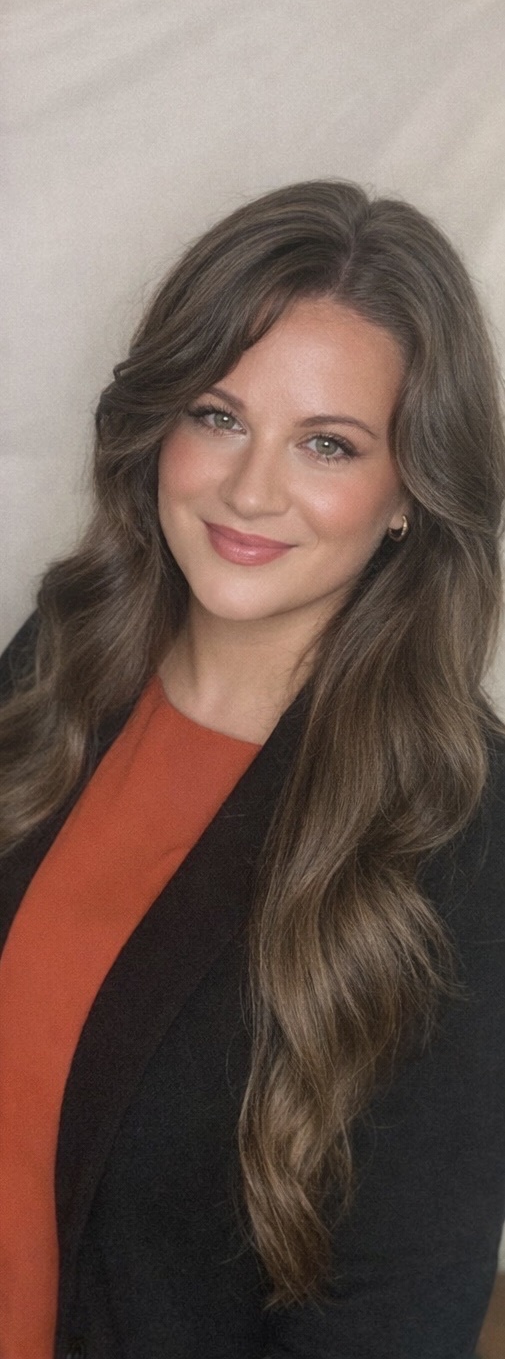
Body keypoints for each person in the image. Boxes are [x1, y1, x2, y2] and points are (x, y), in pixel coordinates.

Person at [0, 179, 504, 1359]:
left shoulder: (462, 831)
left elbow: (386, 1320)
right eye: (219, 417)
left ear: (407, 495)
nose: (250, 490)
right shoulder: (60, 661)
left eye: (327, 444)